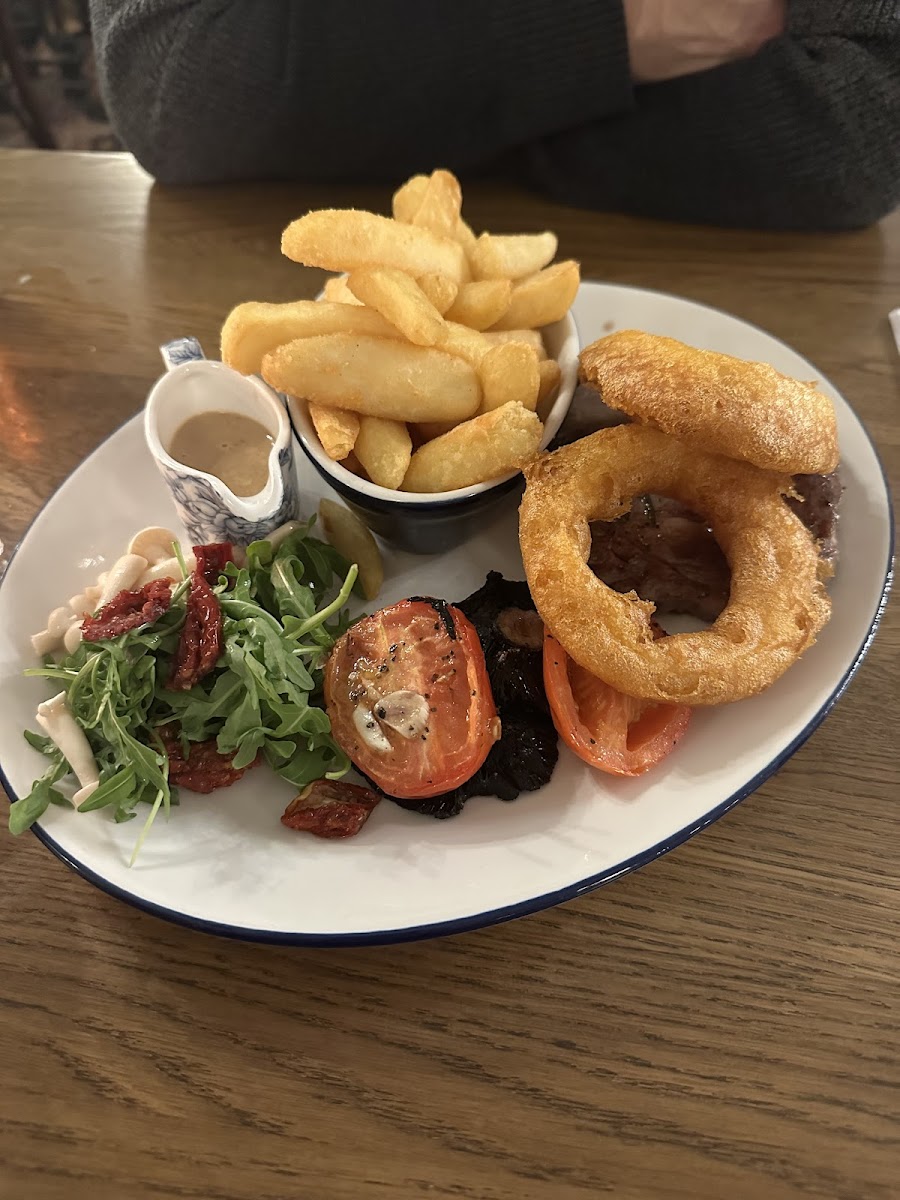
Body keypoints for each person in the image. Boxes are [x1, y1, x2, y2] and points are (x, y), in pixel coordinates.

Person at [88, 1, 900, 230]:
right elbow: (172, 82)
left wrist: (436, 101)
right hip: (261, 280)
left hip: (752, 308)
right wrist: (624, 32)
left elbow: (861, 132)